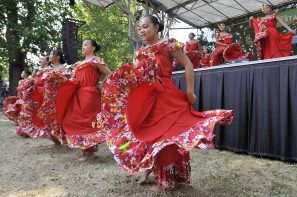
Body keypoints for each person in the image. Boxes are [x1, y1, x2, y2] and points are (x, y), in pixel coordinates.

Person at [96, 15, 234, 192]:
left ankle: (167, 180)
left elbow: (188, 65)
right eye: (139, 28)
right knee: (145, 133)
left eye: (145, 26)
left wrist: (190, 91)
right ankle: (147, 170)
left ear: (156, 27)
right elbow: (135, 78)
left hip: (167, 96)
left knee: (166, 138)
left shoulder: (168, 45)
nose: (142, 31)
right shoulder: (141, 52)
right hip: (147, 100)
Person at [59, 39, 112, 161]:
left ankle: (89, 152)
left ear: (93, 48)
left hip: (90, 95)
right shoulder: (78, 64)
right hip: (78, 94)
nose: (83, 47)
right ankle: (85, 150)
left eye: (86, 45)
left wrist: (101, 85)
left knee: (88, 121)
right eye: (82, 45)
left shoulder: (96, 60)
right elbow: (73, 79)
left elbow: (109, 73)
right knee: (74, 120)